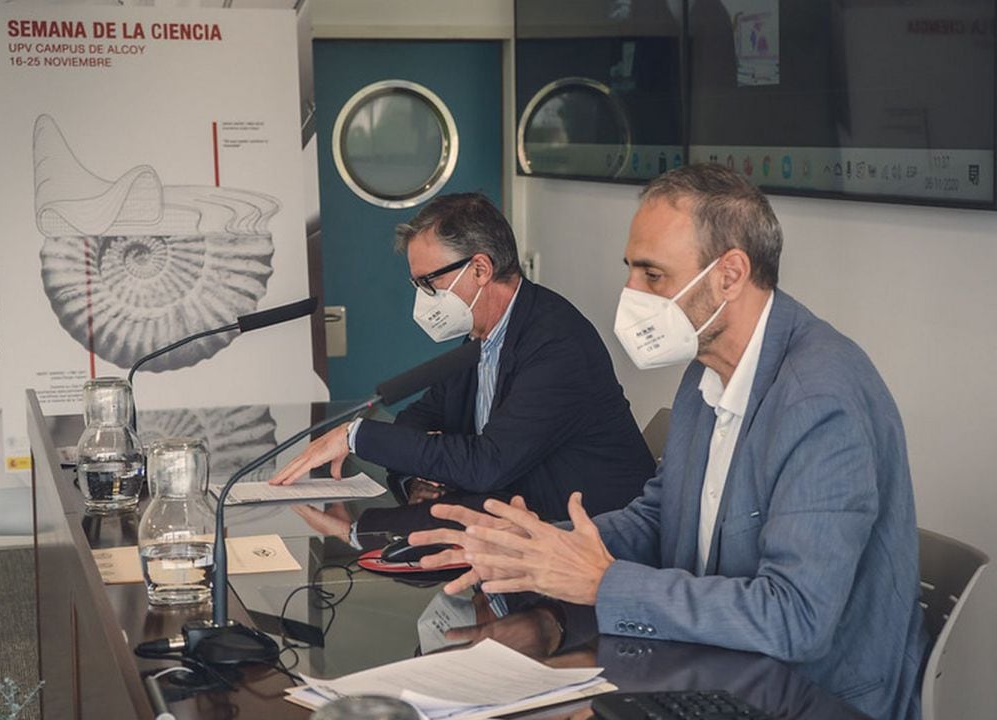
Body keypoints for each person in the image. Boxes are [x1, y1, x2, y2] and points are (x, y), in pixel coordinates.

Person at [411, 166, 927, 720]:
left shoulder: (821, 400)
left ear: (730, 274)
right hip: (707, 669)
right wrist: (537, 547)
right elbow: (660, 518)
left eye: (653, 275)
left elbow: (793, 619)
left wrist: (602, 585)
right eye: (630, 271)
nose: (631, 294)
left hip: (805, 699)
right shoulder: (705, 371)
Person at [271, 192, 656, 541]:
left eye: (429, 282)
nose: (423, 299)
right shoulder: (480, 337)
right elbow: (417, 419)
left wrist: (356, 438)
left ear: (480, 270)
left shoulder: (556, 343)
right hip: (513, 532)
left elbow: (486, 464)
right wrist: (420, 471)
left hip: (596, 541)